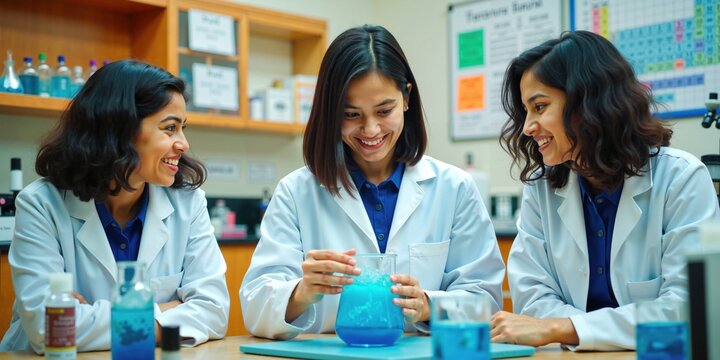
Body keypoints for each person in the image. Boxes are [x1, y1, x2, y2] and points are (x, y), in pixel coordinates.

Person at [240, 24, 504, 339]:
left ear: (406, 97)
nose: (370, 130)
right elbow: (254, 307)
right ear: (331, 112)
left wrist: (428, 305)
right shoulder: (296, 193)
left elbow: (485, 300)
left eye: (384, 110)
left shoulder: (453, 187)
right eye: (351, 114)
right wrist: (301, 292)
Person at [491, 30, 720, 350]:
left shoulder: (681, 179)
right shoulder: (541, 189)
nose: (528, 126)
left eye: (540, 107)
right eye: (526, 111)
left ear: (588, 103)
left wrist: (565, 328)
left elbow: (685, 308)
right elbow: (532, 300)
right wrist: (567, 330)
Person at [0, 60, 230, 353]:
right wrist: (168, 310)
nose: (183, 143)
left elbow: (214, 311)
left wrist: (88, 315)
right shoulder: (41, 205)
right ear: (120, 129)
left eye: (182, 128)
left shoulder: (188, 203)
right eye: (169, 128)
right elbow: (48, 328)